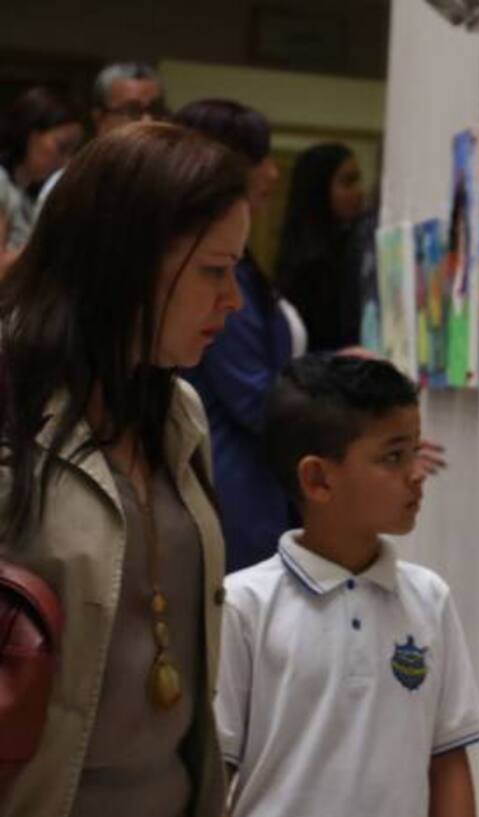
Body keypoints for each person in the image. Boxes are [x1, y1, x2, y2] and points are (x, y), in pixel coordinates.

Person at [0, 123, 249, 817]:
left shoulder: (177, 413)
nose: (232, 300)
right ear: (132, 263)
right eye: (213, 271)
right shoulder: (12, 404)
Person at [210, 354, 479, 817]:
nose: (416, 474)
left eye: (415, 450)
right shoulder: (244, 606)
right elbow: (213, 783)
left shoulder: (429, 601)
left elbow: (447, 761)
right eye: (392, 456)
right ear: (318, 479)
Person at [173, 98, 304, 573]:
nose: (271, 173)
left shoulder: (239, 267)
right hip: (232, 483)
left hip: (247, 481)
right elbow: (252, 396)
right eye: (260, 159)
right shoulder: (221, 279)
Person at [31, 61, 166, 225]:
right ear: (99, 117)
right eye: (132, 111)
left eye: (156, 109)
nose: (148, 121)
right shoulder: (71, 185)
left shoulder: (169, 182)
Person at [276, 142, 366, 352]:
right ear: (319, 189)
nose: (359, 192)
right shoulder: (308, 266)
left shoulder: (354, 243)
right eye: (348, 182)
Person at [0, 86, 83, 269]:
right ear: (31, 135)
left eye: (73, 151)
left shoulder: (31, 193)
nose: (67, 160)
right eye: (61, 147)